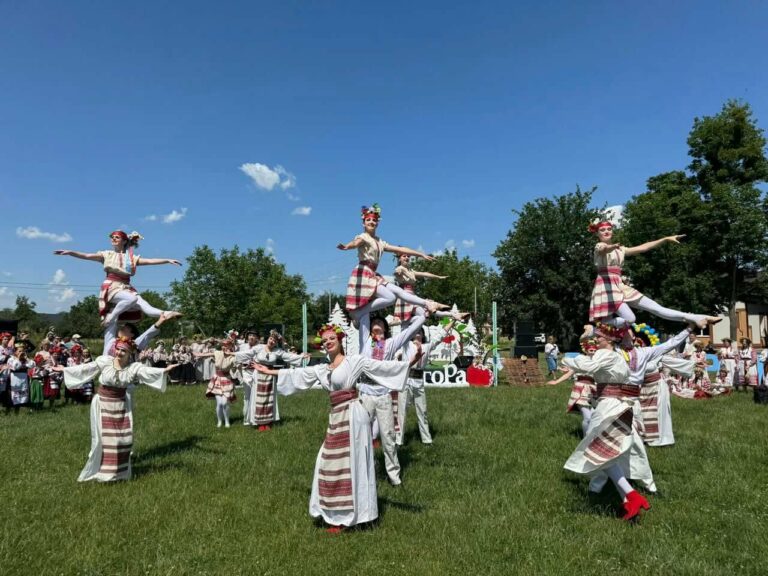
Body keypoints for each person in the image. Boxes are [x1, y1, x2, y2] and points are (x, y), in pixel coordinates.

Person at [252, 324, 409, 532]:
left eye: (331, 338)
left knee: (349, 464)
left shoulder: (353, 361)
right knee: (326, 461)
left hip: (353, 416)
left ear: (340, 340)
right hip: (336, 416)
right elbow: (299, 374)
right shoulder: (323, 369)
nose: (328, 342)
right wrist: (269, 371)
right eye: (324, 340)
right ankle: (336, 511)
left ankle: (348, 516)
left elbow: (381, 367)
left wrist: (408, 364)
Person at [561, 323, 652, 521]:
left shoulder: (606, 354)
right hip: (619, 403)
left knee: (597, 449)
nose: (596, 341)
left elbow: (588, 367)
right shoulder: (618, 356)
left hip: (608, 405)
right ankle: (627, 501)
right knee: (608, 452)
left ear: (609, 340)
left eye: (599, 338)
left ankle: (632, 495)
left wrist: (567, 358)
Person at [53, 338, 177, 482]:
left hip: (121, 405)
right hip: (103, 403)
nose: (119, 352)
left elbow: (147, 371)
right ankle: (104, 473)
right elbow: (86, 368)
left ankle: (120, 473)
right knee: (107, 441)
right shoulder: (105, 362)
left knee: (124, 441)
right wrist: (65, 370)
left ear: (129, 353)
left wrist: (164, 370)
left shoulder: (133, 368)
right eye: (118, 349)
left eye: (123, 350)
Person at [337, 203, 445, 349]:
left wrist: (420, 254)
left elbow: (400, 249)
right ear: (363, 223)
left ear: (377, 223)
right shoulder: (363, 237)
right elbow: (356, 243)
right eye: (368, 220)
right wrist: (347, 247)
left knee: (393, 296)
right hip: (363, 273)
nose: (371, 222)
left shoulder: (380, 242)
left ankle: (426, 303)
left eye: (374, 220)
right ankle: (361, 322)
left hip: (373, 274)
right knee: (390, 298)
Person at [586, 221, 719, 331]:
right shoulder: (599, 245)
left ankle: (697, 317)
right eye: (602, 230)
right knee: (630, 319)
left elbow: (644, 247)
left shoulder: (621, 249)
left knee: (656, 308)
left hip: (620, 285)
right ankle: (598, 328)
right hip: (606, 287)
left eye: (609, 229)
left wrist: (665, 239)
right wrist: (612, 246)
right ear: (597, 233)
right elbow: (603, 250)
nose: (606, 231)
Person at [53, 230, 182, 329]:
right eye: (112, 237)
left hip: (126, 287)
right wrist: (70, 252)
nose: (113, 239)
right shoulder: (106, 255)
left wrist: (167, 260)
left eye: (117, 237)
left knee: (146, 307)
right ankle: (111, 317)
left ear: (124, 241)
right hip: (112, 286)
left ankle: (166, 313)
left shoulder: (131, 258)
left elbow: (149, 261)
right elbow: (87, 255)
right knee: (131, 299)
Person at [395, 321, 456, 446]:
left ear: (423, 335)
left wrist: (453, 321)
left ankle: (427, 440)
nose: (417, 332)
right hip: (405, 381)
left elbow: (441, 334)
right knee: (402, 412)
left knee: (422, 411)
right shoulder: (406, 344)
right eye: (415, 330)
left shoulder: (427, 346)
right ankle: (398, 441)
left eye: (420, 331)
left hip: (419, 382)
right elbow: (404, 328)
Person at [235, 329, 309, 431]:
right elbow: (246, 354)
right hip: (259, 375)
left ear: (276, 343)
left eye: (274, 341)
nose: (272, 341)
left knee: (269, 398)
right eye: (270, 339)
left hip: (270, 376)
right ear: (268, 339)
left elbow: (289, 356)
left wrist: (301, 357)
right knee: (259, 398)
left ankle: (268, 421)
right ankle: (259, 422)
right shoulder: (259, 347)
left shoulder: (277, 351)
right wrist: (231, 354)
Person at [547, 337, 598, 436]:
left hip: (593, 391)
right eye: (591, 350)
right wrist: (556, 382)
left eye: (594, 350)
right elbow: (569, 373)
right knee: (587, 417)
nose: (593, 352)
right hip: (581, 390)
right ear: (586, 350)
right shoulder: (581, 360)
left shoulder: (597, 362)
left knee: (594, 417)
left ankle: (592, 438)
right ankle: (585, 439)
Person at [197, 338, 237, 428]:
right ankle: (219, 421)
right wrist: (198, 354)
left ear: (230, 346)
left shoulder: (233, 357)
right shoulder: (218, 353)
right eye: (223, 345)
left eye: (226, 345)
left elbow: (237, 366)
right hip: (217, 379)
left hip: (227, 380)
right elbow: (207, 354)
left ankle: (227, 421)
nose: (224, 347)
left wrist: (232, 355)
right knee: (219, 403)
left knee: (225, 403)